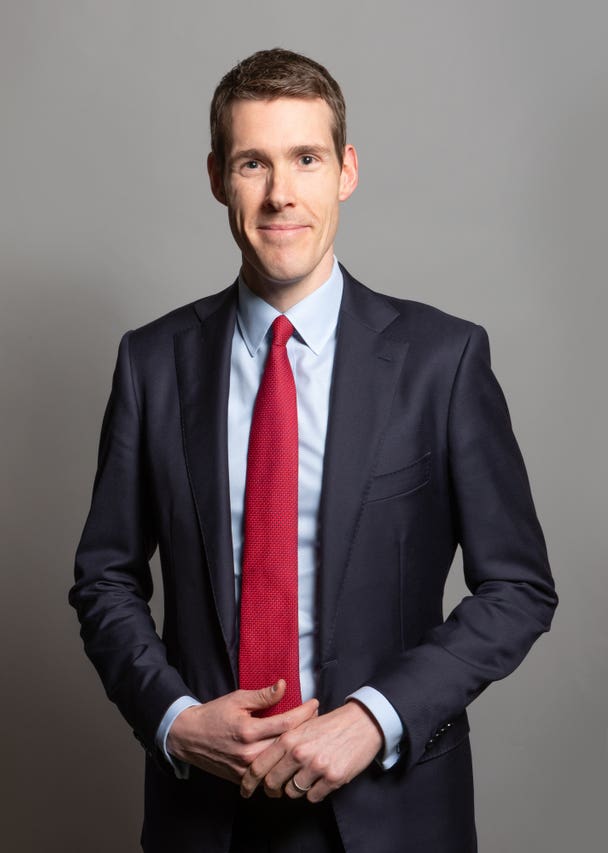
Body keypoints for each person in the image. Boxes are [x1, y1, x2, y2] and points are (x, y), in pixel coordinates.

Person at [70, 48, 557, 853]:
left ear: (346, 170)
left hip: (393, 812)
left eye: (305, 158)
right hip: (206, 818)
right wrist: (175, 719)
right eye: (253, 163)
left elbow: (518, 586)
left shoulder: (444, 360)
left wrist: (377, 716)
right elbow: (105, 577)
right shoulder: (152, 364)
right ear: (218, 177)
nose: (280, 194)